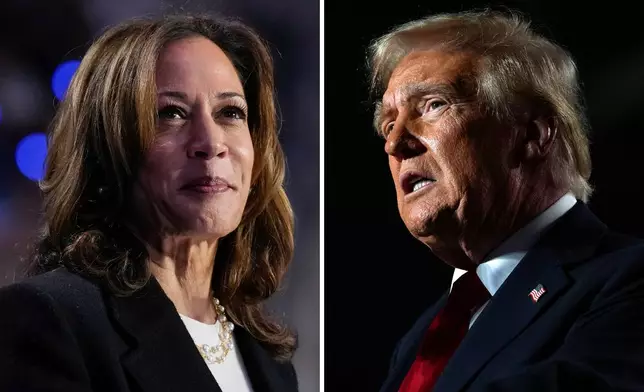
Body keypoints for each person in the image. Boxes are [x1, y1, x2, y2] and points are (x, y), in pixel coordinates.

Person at [0, 14, 299, 392]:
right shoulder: (49, 320)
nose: (211, 142)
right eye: (170, 113)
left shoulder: (272, 362)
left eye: (230, 113)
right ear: (107, 148)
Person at [369, 10, 644, 392]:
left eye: (433, 105)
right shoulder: (421, 337)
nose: (395, 143)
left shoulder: (628, 279)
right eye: (388, 123)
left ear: (533, 134)